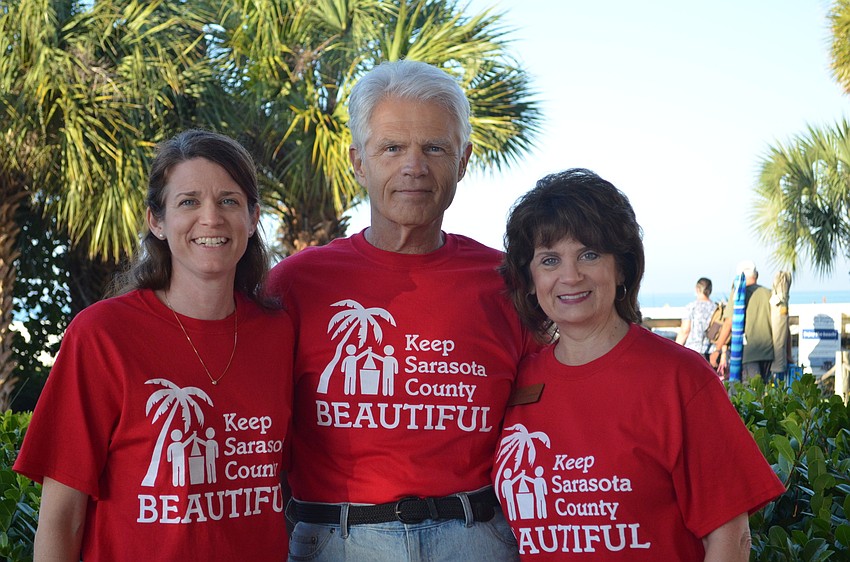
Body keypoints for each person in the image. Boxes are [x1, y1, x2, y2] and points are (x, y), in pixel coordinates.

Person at [267, 59, 537, 561]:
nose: (414, 166)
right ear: (358, 162)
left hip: (475, 539)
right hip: (337, 541)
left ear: (463, 160)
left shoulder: (509, 282)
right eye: (392, 148)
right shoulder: (295, 283)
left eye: (435, 148)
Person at [14, 129, 295, 561]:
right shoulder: (102, 335)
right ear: (157, 222)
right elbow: (62, 516)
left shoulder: (279, 333)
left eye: (228, 201)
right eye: (188, 202)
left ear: (253, 217)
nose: (211, 218)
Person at [495, 169, 785, 560]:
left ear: (622, 268)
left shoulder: (679, 377)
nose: (570, 275)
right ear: (529, 280)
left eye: (589, 254)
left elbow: (730, 537)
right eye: (549, 260)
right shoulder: (517, 382)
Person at [715, 261, 774, 382]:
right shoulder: (769, 293)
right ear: (756, 275)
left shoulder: (738, 294)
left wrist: (717, 349)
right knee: (765, 394)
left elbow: (728, 324)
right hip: (769, 353)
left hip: (748, 353)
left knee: (751, 395)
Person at [675, 277, 716, 362]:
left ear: (697, 289)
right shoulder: (716, 308)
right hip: (711, 351)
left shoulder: (691, 307)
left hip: (693, 351)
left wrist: (675, 349)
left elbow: (685, 330)